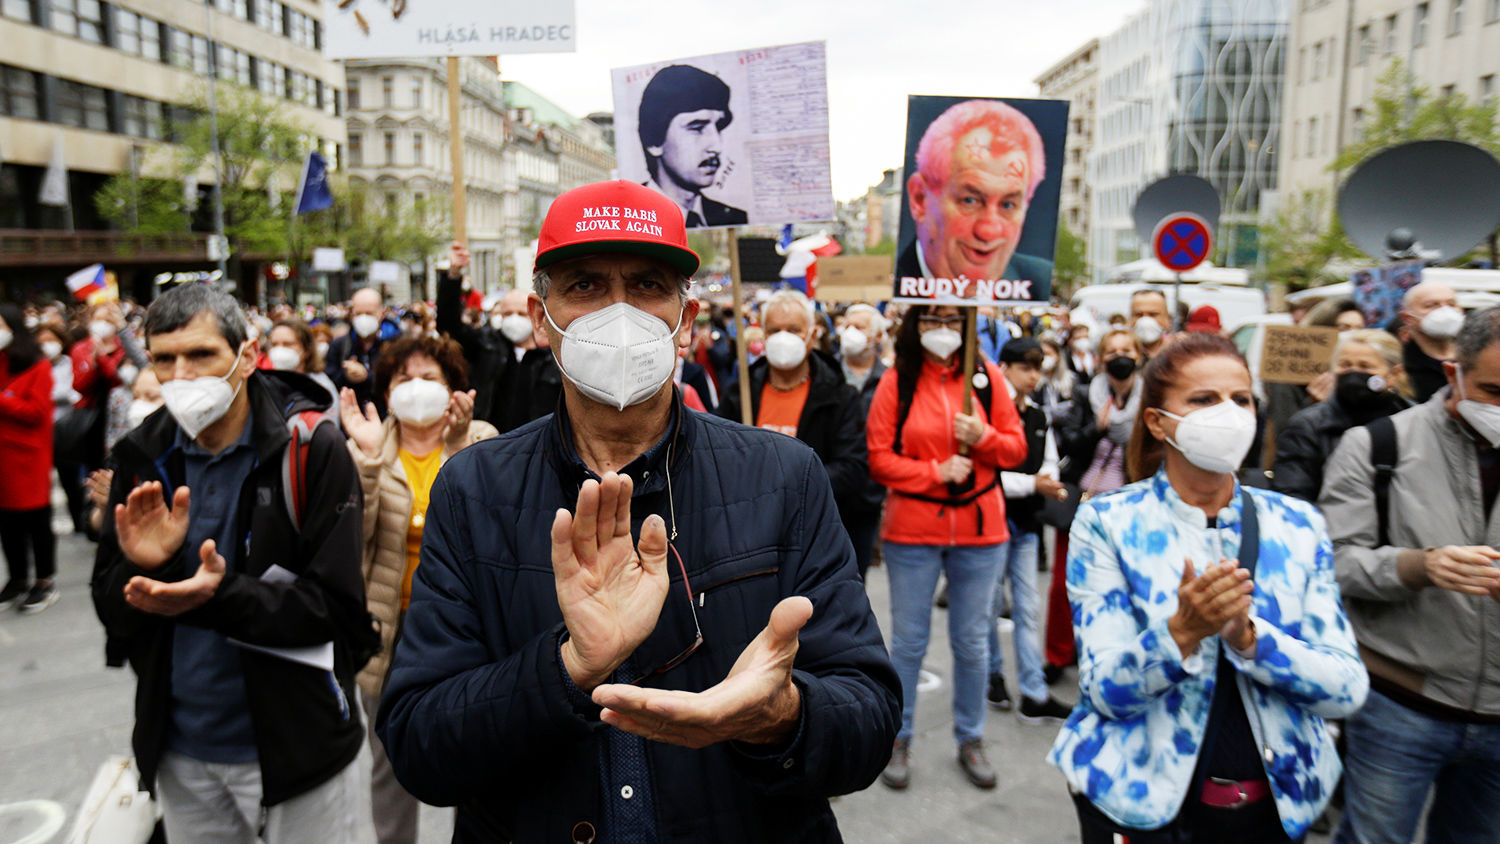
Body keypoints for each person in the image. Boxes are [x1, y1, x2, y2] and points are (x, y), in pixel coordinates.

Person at [375, 180, 899, 842]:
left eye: (648, 285)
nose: (618, 314)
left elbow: (871, 718)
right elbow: (420, 746)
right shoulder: (473, 489)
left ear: (685, 319)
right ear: (542, 319)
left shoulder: (784, 478)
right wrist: (565, 671)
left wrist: (780, 715)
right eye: (586, 286)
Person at [1052, 333, 1367, 843]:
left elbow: (1346, 687)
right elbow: (1104, 690)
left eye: (1241, 400)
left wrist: (1251, 640)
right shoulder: (1108, 522)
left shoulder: (1298, 524)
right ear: (1157, 421)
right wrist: (1179, 634)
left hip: (1273, 806)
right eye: (1203, 400)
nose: (1230, 414)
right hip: (1143, 804)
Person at [91, 284, 375, 844]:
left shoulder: (311, 448)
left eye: (201, 355)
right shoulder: (140, 456)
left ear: (245, 357)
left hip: (301, 746)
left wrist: (214, 597)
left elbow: (336, 612)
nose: (182, 375)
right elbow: (113, 612)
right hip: (181, 751)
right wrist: (144, 569)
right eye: (165, 359)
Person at [1322, 306, 1500, 844]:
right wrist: (1418, 566)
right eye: (1494, 390)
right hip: (1400, 703)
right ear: (1454, 373)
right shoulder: (1378, 446)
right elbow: (1334, 560)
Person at [341, 335, 497, 844]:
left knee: (472, 752)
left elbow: (487, 536)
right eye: (404, 379)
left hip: (462, 624)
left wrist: (453, 449)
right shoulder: (366, 447)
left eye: (430, 378)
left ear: (455, 390)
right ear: (386, 393)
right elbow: (351, 541)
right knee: (389, 762)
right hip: (387, 627)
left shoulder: (482, 440)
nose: (416, 389)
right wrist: (365, 464)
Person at [866, 303, 1028, 791]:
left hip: (981, 532)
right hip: (913, 531)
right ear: (916, 325)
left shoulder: (987, 377)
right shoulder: (898, 381)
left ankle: (970, 737)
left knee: (973, 643)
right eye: (932, 319)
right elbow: (878, 458)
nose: (942, 329)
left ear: (968, 324)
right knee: (909, 643)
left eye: (952, 320)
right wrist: (933, 473)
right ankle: (899, 736)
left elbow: (1017, 449)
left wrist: (983, 437)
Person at [718, 290, 874, 578]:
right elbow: (716, 461)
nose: (783, 337)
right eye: (775, 330)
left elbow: (852, 469)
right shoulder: (740, 394)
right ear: (762, 336)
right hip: (749, 542)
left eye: (793, 330)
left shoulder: (839, 397)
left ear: (811, 336)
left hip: (817, 540)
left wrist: (786, 486)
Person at [1044, 328, 1144, 682]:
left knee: (1121, 585)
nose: (1120, 355)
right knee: (1062, 585)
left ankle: (1110, 653)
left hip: (1131, 505)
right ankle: (1057, 654)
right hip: (1085, 503)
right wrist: (1097, 429)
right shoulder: (1088, 394)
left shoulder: (1150, 398)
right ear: (1101, 358)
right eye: (1112, 350)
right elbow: (1069, 443)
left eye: (1126, 349)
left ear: (1138, 355)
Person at [986, 338, 1072, 721]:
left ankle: (1033, 691)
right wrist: (1031, 484)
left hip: (1026, 524)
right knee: (987, 606)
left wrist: (1047, 480)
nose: (1034, 375)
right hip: (991, 521)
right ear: (1004, 367)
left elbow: (1051, 460)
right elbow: (984, 474)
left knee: (1027, 609)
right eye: (1026, 367)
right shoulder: (988, 408)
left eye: (1038, 368)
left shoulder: (1037, 415)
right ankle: (992, 675)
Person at [897, 99, 1052, 294]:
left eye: (1007, 205)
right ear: (920, 199)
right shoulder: (890, 283)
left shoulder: (1038, 281)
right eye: (969, 201)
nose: (988, 231)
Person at [1272, 330, 1411, 503]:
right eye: (1345, 365)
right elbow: (1293, 493)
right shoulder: (1308, 425)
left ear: (1393, 375)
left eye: (1365, 367)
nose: (1353, 374)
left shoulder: (1413, 421)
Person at [637, 64, 747, 227]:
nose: (716, 147)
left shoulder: (734, 218)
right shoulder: (628, 220)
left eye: (718, 127)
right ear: (654, 141)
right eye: (697, 128)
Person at [0, 304, 57, 613]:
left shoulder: (37, 365)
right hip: (3, 458)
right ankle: (17, 579)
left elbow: (37, 413)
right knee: (7, 523)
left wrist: (4, 401)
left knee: (35, 521)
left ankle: (44, 581)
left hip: (28, 457)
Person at [1397, 280, 1462, 402]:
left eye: (1451, 304)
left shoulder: (1478, 358)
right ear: (1407, 318)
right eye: (1432, 305)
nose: (1445, 311)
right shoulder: (1400, 367)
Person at [326, 287, 388, 411]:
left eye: (369, 313)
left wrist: (366, 377)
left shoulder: (394, 344)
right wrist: (346, 376)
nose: (363, 318)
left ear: (382, 313)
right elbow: (329, 383)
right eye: (358, 313)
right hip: (349, 418)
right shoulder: (339, 345)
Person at [266, 319, 337, 407]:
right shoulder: (266, 383)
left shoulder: (322, 388)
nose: (279, 349)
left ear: (306, 350)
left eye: (288, 344)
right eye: (274, 344)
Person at [1129, 289, 1173, 357]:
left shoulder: (1180, 352)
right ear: (1130, 318)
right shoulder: (1120, 352)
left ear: (1167, 319)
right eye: (1138, 315)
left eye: (1153, 314)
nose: (1145, 320)